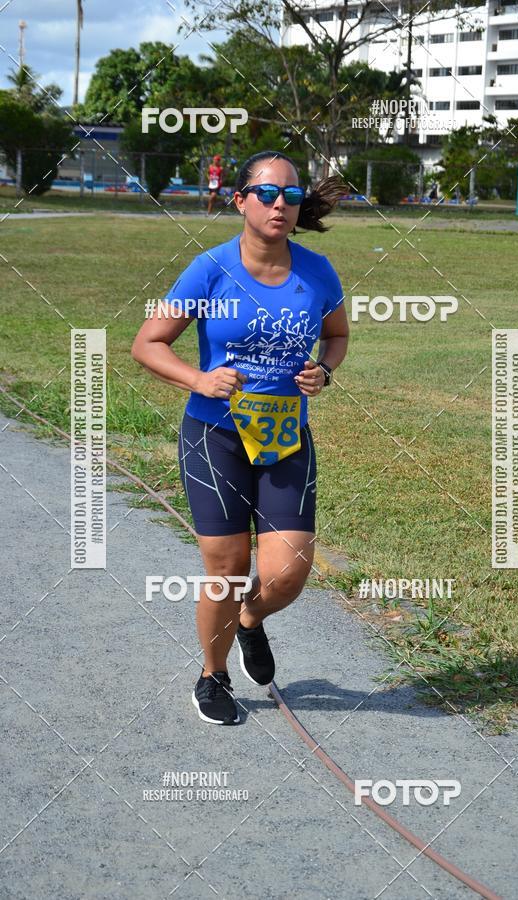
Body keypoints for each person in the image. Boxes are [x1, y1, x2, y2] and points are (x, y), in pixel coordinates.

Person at [131, 150, 350, 725]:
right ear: (241, 201)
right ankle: (213, 674)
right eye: (268, 194)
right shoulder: (208, 269)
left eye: (292, 196)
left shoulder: (317, 271)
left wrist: (324, 370)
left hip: (285, 437)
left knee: (286, 572)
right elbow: (147, 343)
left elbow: (337, 336)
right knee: (225, 568)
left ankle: (250, 619)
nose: (281, 204)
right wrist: (199, 377)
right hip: (216, 436)